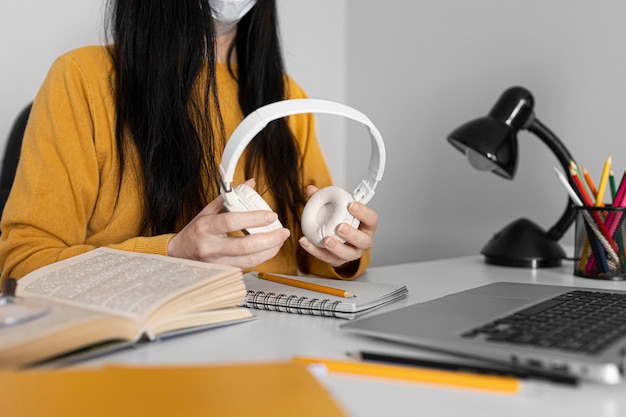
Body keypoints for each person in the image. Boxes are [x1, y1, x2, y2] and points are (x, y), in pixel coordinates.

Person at [0, 0, 379, 281]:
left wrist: (342, 249)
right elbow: (22, 264)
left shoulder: (285, 98)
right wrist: (171, 253)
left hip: (267, 347)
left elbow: (311, 254)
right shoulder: (82, 79)